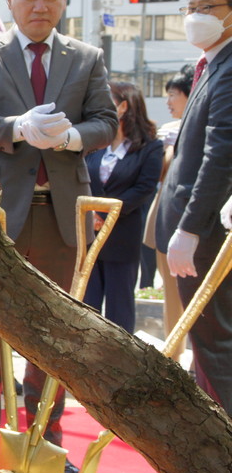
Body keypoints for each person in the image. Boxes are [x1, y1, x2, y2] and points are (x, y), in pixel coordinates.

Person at [0, 0, 117, 473]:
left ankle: (46, 439)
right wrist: (17, 128)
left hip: (61, 216)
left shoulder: (86, 56)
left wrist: (72, 138)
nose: (40, 5)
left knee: (56, 336)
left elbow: (106, 123)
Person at [156, 0, 232, 414]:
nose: (196, 17)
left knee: (214, 343)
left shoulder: (228, 67)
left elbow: (220, 154)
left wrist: (190, 228)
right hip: (195, 232)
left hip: (204, 235)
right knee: (208, 345)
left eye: (209, 7)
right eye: (191, 9)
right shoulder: (210, 64)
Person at [83, 82, 163, 332]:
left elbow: (144, 188)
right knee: (86, 307)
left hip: (122, 235)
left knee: (120, 309)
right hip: (89, 236)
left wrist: (106, 211)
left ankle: (118, 366)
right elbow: (81, 181)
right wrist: (92, 213)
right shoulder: (94, 145)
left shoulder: (150, 147)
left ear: (123, 106)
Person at [144, 64, 194, 359]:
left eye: (173, 94)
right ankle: (175, 360)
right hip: (167, 224)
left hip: (192, 226)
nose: (168, 101)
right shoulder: (170, 133)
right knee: (172, 300)